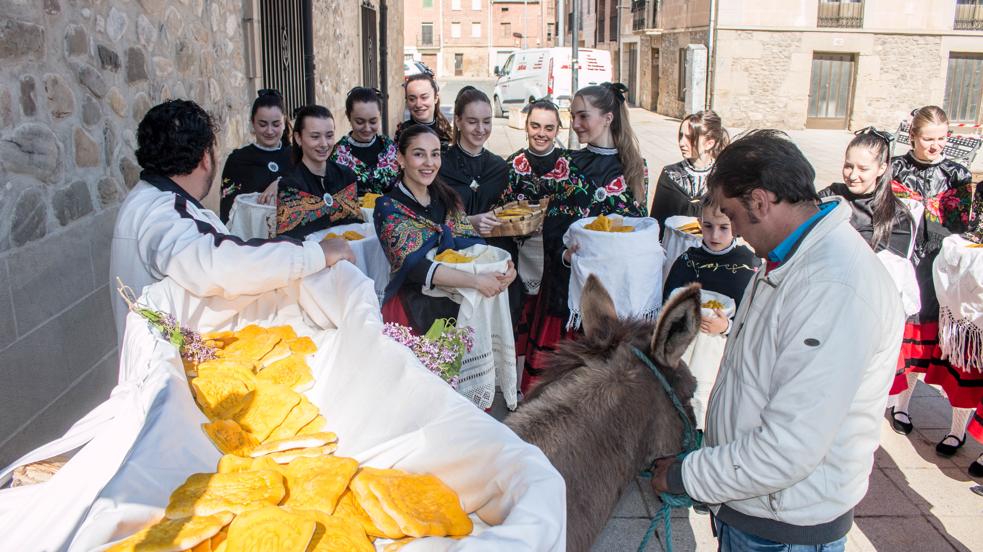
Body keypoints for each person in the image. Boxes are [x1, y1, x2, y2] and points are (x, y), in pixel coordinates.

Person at [651, 130, 905, 551]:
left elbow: (789, 447)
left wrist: (686, 475)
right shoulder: (791, 257)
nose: (733, 230)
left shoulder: (833, 286)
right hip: (757, 506)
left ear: (760, 202)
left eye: (732, 213)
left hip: (785, 524)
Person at [110, 99, 354, 341]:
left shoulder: (150, 199)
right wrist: (315, 254)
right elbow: (219, 264)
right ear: (206, 158)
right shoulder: (162, 211)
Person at [509, 83, 648, 391]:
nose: (576, 124)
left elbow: (638, 229)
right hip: (567, 285)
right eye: (573, 116)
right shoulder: (568, 164)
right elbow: (554, 223)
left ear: (608, 117)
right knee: (557, 384)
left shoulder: (636, 168)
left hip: (611, 290)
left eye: (583, 116)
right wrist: (564, 254)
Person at [374, 124, 517, 334]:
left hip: (456, 305)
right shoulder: (388, 207)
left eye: (435, 154)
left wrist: (504, 268)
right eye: (418, 154)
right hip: (412, 311)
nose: (429, 163)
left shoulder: (448, 197)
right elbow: (416, 267)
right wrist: (477, 281)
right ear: (401, 159)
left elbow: (473, 245)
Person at [888, 106, 973, 451]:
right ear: (913, 137)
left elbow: (965, 228)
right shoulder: (895, 168)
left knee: (955, 352)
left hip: (947, 271)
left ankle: (957, 429)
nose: (936, 146)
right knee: (911, 342)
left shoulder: (958, 174)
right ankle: (901, 406)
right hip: (908, 265)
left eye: (942, 138)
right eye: (928, 139)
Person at [819, 128, 918, 401]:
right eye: (848, 165)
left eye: (862, 168)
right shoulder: (829, 197)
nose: (852, 174)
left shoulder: (895, 216)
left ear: (882, 168)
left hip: (863, 319)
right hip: (823, 307)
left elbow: (892, 280)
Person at [662, 194, 760, 429]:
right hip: (681, 352)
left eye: (723, 228)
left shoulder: (748, 266)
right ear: (699, 225)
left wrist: (726, 327)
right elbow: (667, 302)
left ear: (735, 226)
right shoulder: (687, 261)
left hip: (720, 358)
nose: (715, 235)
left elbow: (755, 321)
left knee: (708, 411)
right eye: (708, 226)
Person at [275, 105, 363, 239]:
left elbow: (357, 228)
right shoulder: (290, 186)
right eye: (315, 136)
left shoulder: (346, 176)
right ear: (298, 138)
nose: (324, 144)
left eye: (329, 136)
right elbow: (289, 241)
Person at [649, 110, 729, 237]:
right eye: (681, 136)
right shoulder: (670, 175)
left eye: (689, 138)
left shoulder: (723, 177)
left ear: (709, 143)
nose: (681, 143)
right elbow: (657, 223)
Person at [218, 89, 293, 222]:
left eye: (276, 124)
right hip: (253, 238)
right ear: (253, 123)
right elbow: (228, 211)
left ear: (284, 121)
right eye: (263, 124)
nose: (269, 131)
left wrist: (282, 183)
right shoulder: (238, 160)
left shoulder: (296, 155)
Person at [439, 86, 509, 223]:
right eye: (472, 122)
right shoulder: (440, 165)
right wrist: (469, 222)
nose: (481, 129)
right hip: (455, 243)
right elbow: (431, 217)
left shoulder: (500, 167)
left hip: (496, 243)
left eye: (487, 121)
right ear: (458, 121)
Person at [330, 87, 399, 195]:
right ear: (348, 116)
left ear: (380, 116)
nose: (367, 128)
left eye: (373, 121)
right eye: (359, 122)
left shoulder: (391, 149)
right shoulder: (337, 155)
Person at [392, 73, 452, 149]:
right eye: (412, 99)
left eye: (424, 97)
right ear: (407, 101)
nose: (418, 104)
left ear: (435, 98)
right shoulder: (404, 134)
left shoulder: (445, 129)